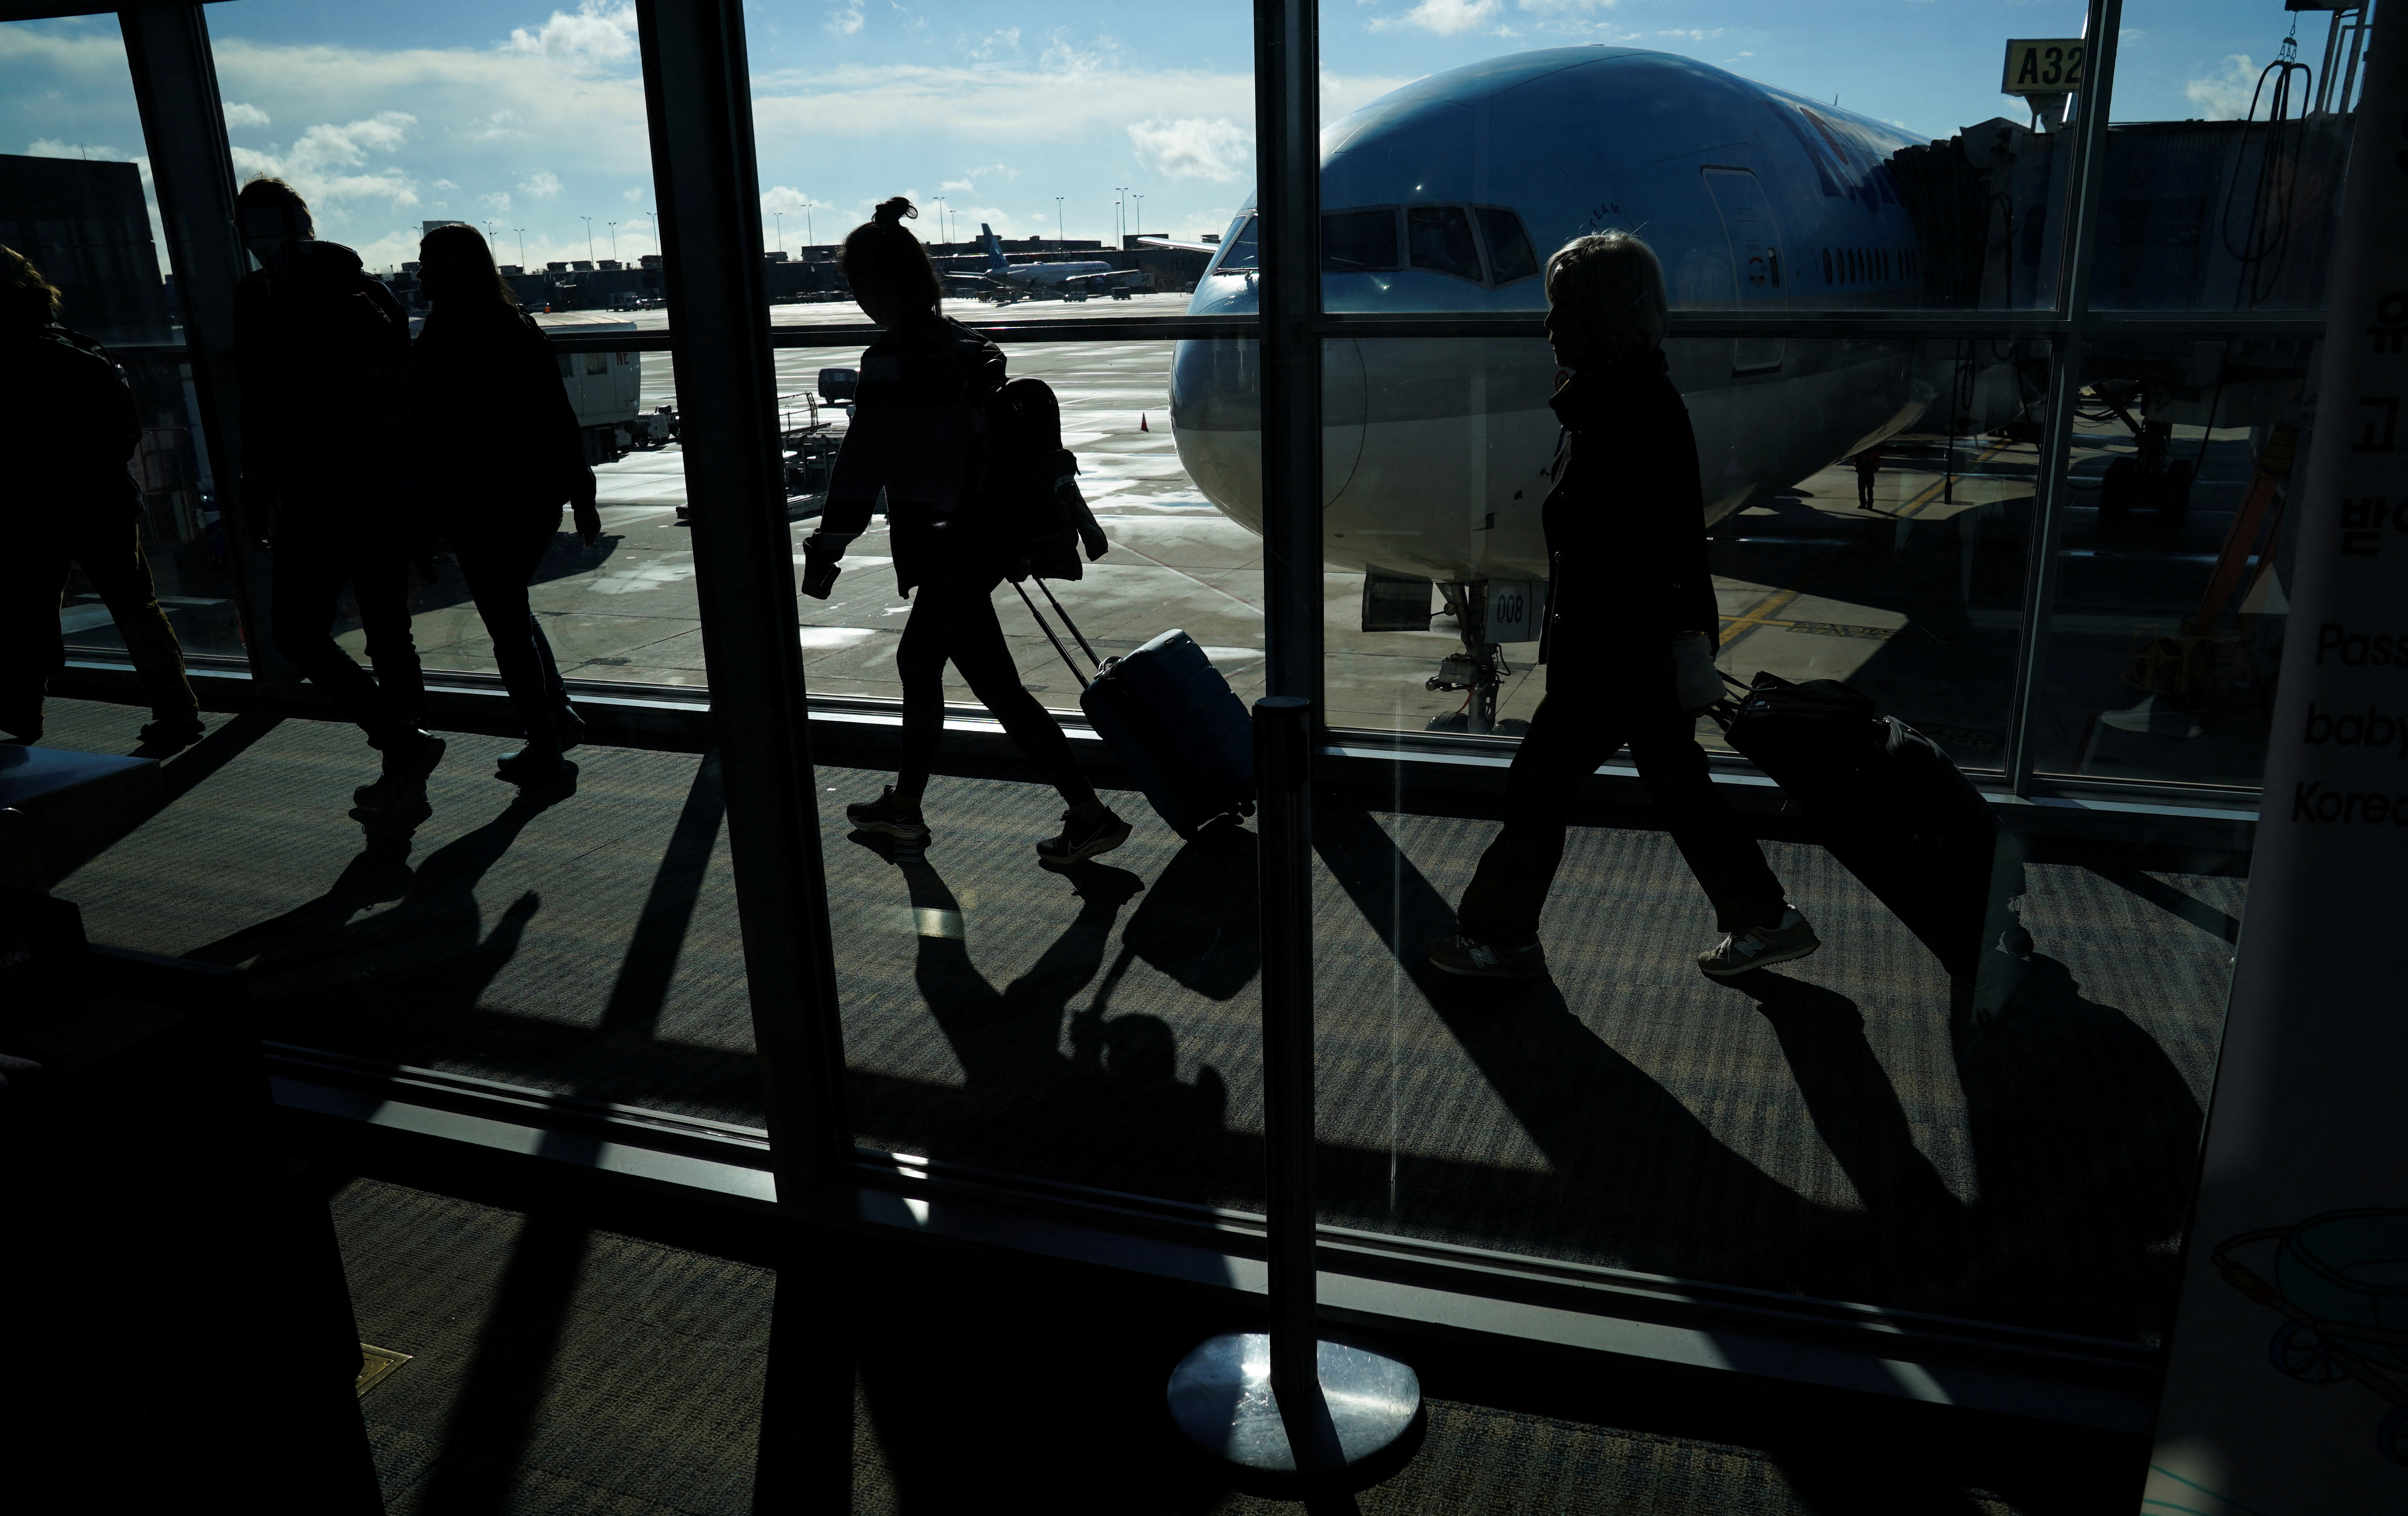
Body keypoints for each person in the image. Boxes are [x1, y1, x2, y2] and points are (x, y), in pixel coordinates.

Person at [1427, 231, 1818, 981]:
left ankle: (1497, 935)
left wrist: (1625, 654)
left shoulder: (1618, 413)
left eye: (1562, 308)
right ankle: (1765, 918)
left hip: (1615, 651)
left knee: (1539, 787)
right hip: (1639, 646)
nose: (1548, 326)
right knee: (1678, 786)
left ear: (1604, 317)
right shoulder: (1628, 397)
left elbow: (1636, 551)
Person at [798, 197, 1129, 865]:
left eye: (859, 288)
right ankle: (908, 809)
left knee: (991, 685)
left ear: (881, 285)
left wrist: (826, 547)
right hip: (982, 538)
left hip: (947, 545)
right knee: (922, 665)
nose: (859, 301)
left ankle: (1087, 811)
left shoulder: (892, 361)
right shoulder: (967, 346)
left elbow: (862, 467)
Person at [232, 176, 441, 814]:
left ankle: (399, 744)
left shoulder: (259, 297)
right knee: (389, 631)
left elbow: (264, 404)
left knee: (297, 632)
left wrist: (258, 486)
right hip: (386, 488)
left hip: (319, 492)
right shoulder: (368, 289)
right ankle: (404, 761)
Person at [410, 224, 598, 785]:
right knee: (511, 608)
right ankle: (555, 715)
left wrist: (425, 519)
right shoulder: (517, 325)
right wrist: (582, 493)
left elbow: (430, 438)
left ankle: (545, 740)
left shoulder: (443, 338)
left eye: (426, 262)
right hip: (536, 493)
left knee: (506, 623)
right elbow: (558, 412)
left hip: (480, 499)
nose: (419, 272)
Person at [0, 246, 205, 748]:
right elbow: (123, 433)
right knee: (136, 605)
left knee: (32, 607)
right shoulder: (79, 349)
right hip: (101, 498)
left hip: (31, 505)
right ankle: (176, 709)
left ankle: (25, 710)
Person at [1852, 445, 1882, 510]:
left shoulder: (1862, 451)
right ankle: (1866, 504)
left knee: (1867, 489)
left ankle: (1867, 504)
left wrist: (1873, 470)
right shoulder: (1870, 452)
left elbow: (1877, 462)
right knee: (1865, 489)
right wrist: (1857, 469)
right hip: (1864, 473)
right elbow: (1856, 461)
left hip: (1867, 473)